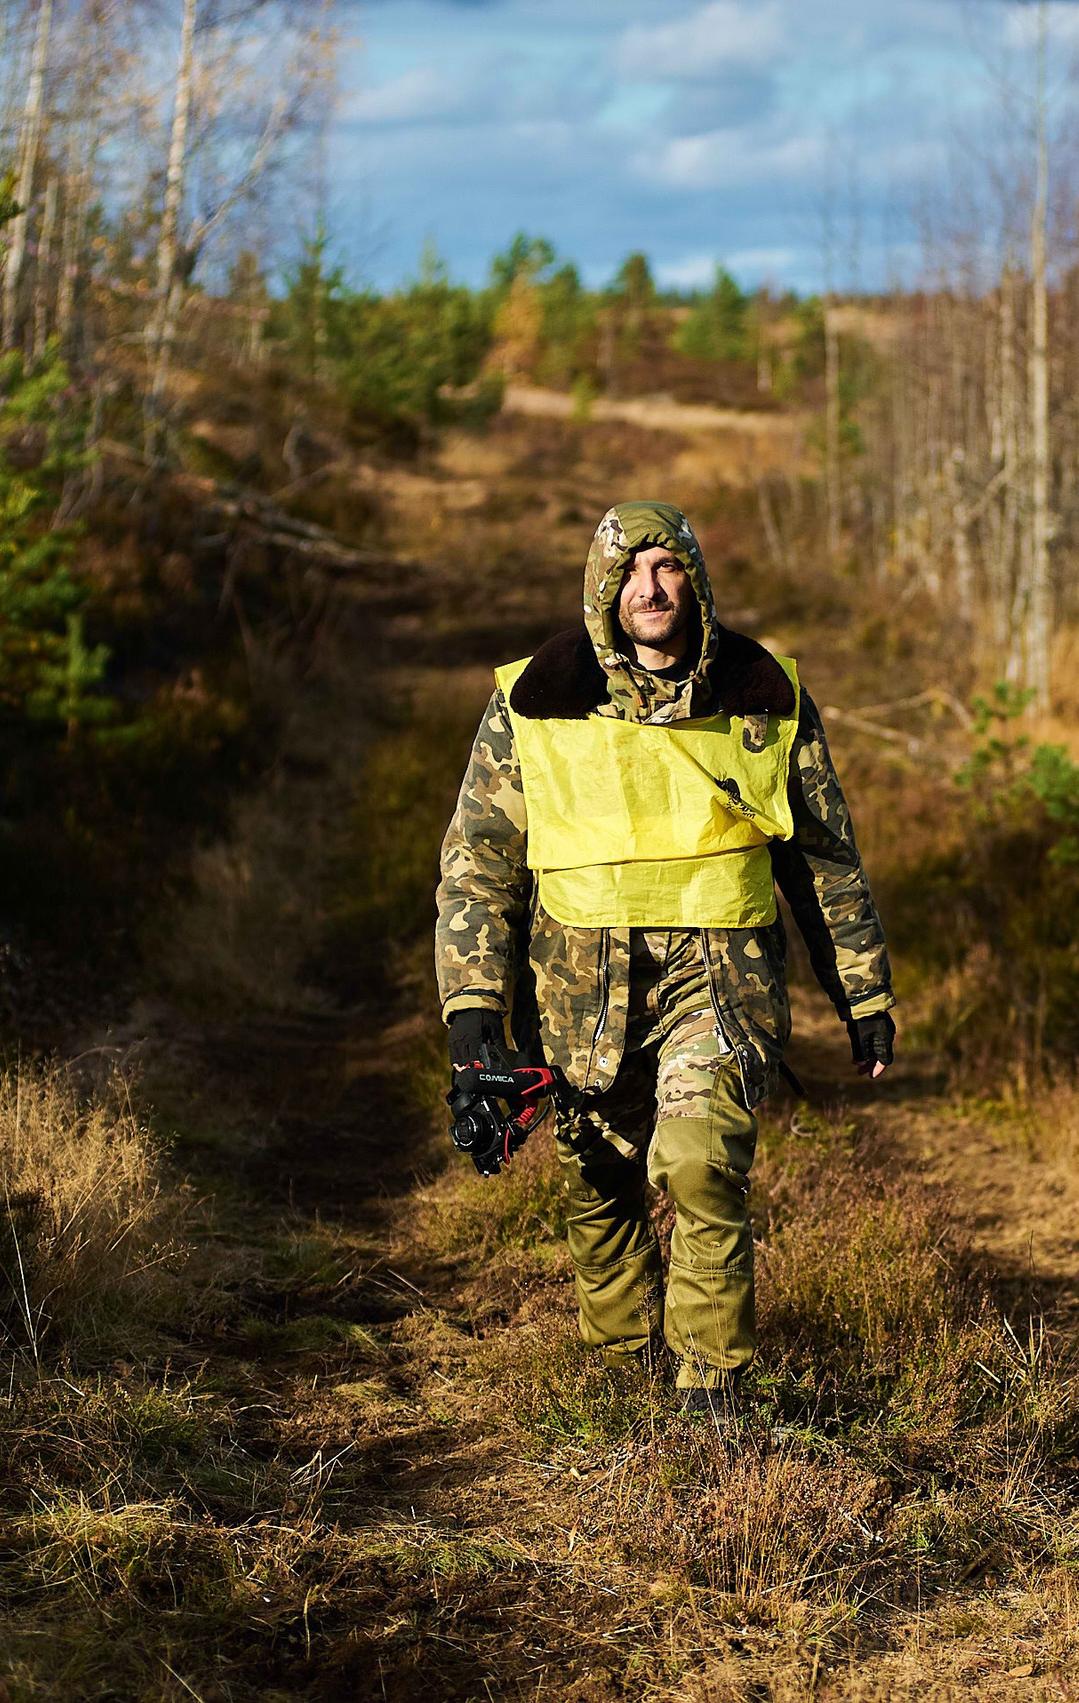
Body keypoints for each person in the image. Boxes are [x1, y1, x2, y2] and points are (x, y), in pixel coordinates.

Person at [435, 500, 898, 1421]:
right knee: (598, 1182)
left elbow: (823, 859)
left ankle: (711, 1396)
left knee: (698, 1160)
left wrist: (863, 993)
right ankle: (620, 1377)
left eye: (668, 566)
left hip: (718, 989)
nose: (650, 589)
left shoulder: (763, 697)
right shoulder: (535, 701)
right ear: (602, 589)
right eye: (631, 572)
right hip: (578, 1001)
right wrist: (474, 1005)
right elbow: (479, 861)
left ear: (696, 579)